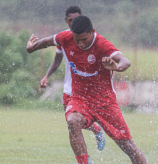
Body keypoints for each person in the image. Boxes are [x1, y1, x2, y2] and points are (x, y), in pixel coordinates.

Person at [27, 16, 147, 164]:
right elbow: (45, 42)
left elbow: (125, 61)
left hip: (105, 102)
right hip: (80, 98)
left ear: (92, 32)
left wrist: (116, 67)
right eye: (77, 40)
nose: (81, 43)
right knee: (72, 120)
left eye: (84, 39)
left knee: (129, 147)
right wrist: (30, 48)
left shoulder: (102, 44)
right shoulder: (65, 37)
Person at [39, 6, 106, 153]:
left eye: (76, 19)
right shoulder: (63, 39)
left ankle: (84, 158)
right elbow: (57, 60)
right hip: (69, 89)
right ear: (66, 21)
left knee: (77, 121)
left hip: (86, 89)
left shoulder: (89, 38)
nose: (73, 22)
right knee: (71, 123)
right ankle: (95, 131)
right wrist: (46, 76)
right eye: (71, 20)